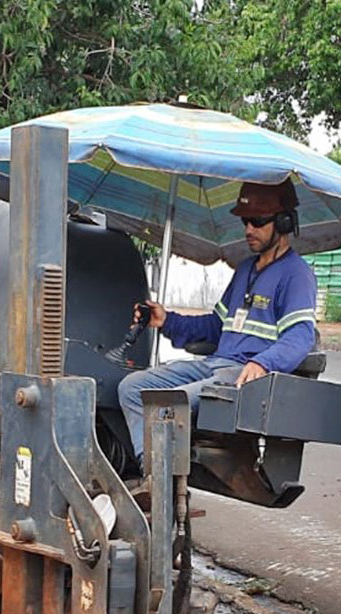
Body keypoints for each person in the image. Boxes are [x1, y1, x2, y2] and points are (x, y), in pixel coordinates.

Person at [117, 179, 317, 468]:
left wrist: (263, 363)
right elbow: (216, 324)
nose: (248, 229)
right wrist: (167, 320)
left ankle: (162, 480)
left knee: (171, 404)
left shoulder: (296, 275)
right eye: (245, 221)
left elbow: (300, 336)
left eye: (258, 221)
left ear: (284, 222)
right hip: (213, 365)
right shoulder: (246, 269)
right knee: (132, 387)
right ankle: (151, 470)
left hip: (243, 376)